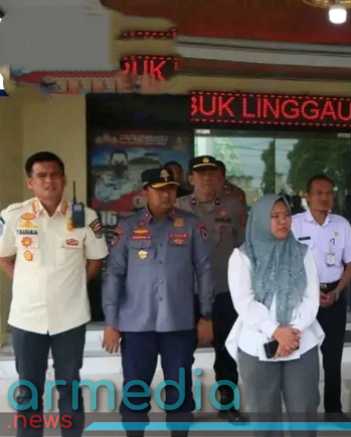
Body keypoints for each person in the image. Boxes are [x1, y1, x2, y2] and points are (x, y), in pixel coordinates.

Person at [0, 151, 108, 437]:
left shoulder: (84, 216)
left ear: (64, 178)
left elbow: (96, 259)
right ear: (30, 182)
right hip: (27, 318)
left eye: (55, 174)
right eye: (41, 176)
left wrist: (74, 285)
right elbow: (4, 256)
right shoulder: (13, 216)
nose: (49, 181)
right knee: (28, 389)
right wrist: (24, 283)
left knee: (69, 387)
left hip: (70, 318)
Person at [102, 167, 214, 437]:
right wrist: (111, 322)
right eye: (160, 189)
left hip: (178, 323)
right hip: (136, 325)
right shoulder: (127, 227)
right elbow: (114, 274)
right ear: (145, 191)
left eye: (171, 189)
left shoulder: (191, 224)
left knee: (180, 391)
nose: (166, 195)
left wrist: (206, 316)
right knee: (135, 391)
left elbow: (205, 270)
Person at [225, 194, 324, 437]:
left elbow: (311, 298)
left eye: (286, 215)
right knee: (265, 419)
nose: (283, 221)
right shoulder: (243, 256)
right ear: (260, 220)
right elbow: (244, 302)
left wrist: (292, 332)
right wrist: (276, 331)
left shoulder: (302, 253)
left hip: (300, 343)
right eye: (274, 216)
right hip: (258, 344)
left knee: (304, 415)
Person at [175, 155, 247, 421]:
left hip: (224, 291)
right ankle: (183, 406)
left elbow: (244, 248)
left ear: (220, 178)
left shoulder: (234, 207)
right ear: (190, 178)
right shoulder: (178, 207)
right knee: (181, 353)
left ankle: (227, 404)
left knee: (227, 351)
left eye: (212, 173)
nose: (207, 178)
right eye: (201, 173)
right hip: (187, 293)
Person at [291, 175, 351, 419]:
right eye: (319, 193)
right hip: (303, 297)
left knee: (333, 356)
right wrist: (308, 293)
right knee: (303, 356)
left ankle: (333, 409)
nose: (324, 197)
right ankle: (304, 408)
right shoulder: (295, 224)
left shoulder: (341, 225)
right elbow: (288, 265)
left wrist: (338, 291)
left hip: (334, 295)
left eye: (329, 193)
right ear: (307, 197)